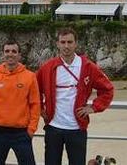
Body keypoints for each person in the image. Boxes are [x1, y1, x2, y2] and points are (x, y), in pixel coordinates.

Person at [36, 28, 114, 165]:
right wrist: (40, 109)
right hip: (53, 127)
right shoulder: (47, 67)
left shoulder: (88, 67)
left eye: (70, 42)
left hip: (77, 128)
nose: (66, 46)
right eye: (63, 42)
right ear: (57, 44)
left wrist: (93, 108)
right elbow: (34, 90)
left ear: (76, 44)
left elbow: (107, 89)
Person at [0, 41, 40, 165]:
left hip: (21, 133)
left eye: (14, 51)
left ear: (19, 55)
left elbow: (35, 104)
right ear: (3, 54)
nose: (10, 54)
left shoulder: (30, 77)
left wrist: (31, 129)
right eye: (7, 51)